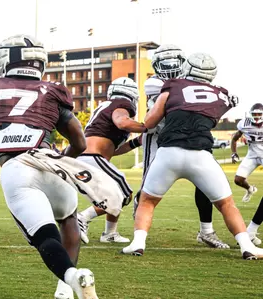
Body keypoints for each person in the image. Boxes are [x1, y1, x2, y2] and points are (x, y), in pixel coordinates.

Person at [0, 34, 100, 299]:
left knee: (45, 236)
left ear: (7, 59)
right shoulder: (51, 90)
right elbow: (80, 140)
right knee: (68, 219)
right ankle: (64, 289)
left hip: (17, 168)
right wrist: (62, 159)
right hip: (51, 163)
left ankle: (72, 277)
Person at [121, 53, 263, 260]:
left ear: (187, 67)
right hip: (201, 156)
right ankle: (246, 246)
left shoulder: (173, 85)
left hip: (169, 153)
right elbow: (211, 117)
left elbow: (149, 122)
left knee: (147, 201)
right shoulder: (222, 95)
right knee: (226, 204)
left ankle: (137, 243)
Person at [121, 44, 228, 249]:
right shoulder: (154, 82)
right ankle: (139, 227)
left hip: (189, 137)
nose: (170, 66)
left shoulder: (184, 83)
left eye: (174, 61)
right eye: (165, 62)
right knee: (148, 188)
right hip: (160, 138)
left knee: (205, 184)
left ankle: (206, 231)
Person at [77, 77, 147, 244]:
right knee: (124, 195)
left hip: (90, 157)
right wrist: (147, 127)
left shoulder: (105, 107)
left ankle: (109, 233)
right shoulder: (122, 104)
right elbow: (122, 123)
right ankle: (82, 217)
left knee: (115, 192)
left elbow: (112, 150)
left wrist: (136, 142)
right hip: (92, 157)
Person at [231, 103, 263, 245]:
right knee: (238, 180)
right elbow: (234, 138)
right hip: (251, 154)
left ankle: (251, 231)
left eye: (259, 114)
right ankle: (250, 189)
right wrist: (234, 153)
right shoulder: (243, 124)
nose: (257, 117)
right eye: (254, 114)